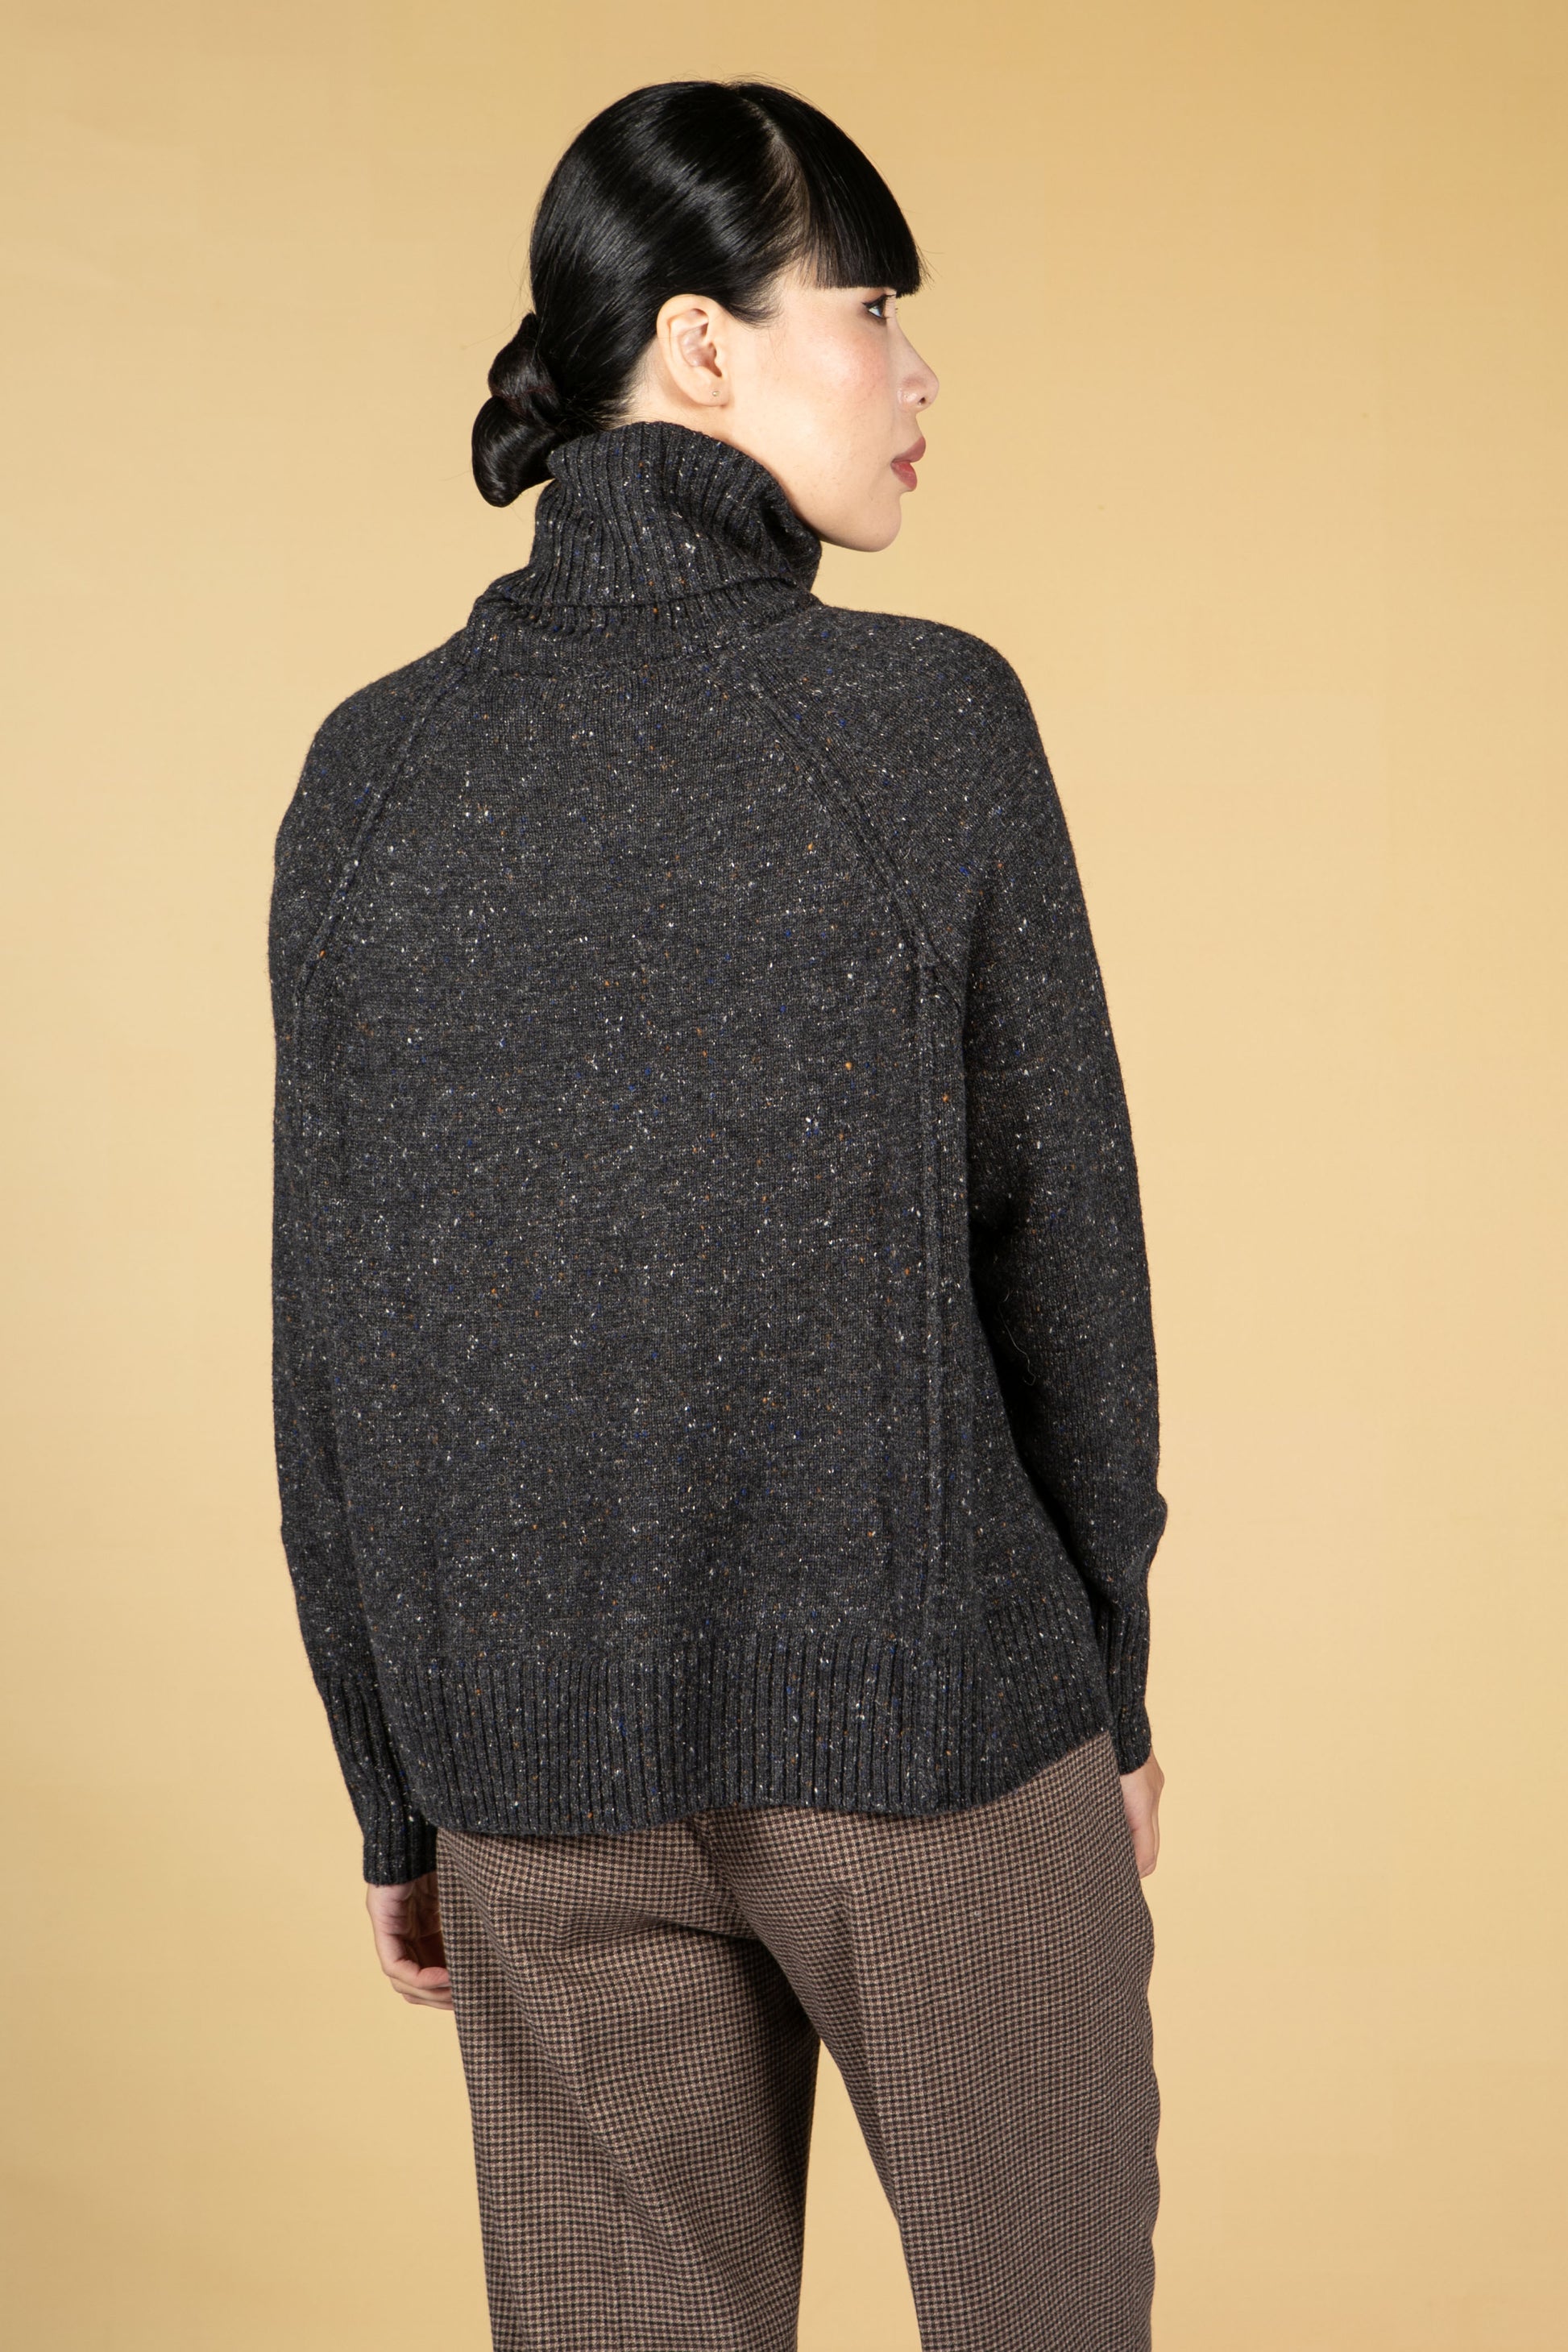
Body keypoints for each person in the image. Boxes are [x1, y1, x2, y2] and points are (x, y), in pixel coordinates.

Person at [271, 77, 1168, 2352]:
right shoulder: (925, 720)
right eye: (870, 310)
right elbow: (1058, 1239)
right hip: (942, 1738)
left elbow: (337, 1339)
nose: (917, 372)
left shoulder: (373, 773)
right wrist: (1114, 1678)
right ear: (698, 344)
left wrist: (403, 1794)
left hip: (534, 1768)